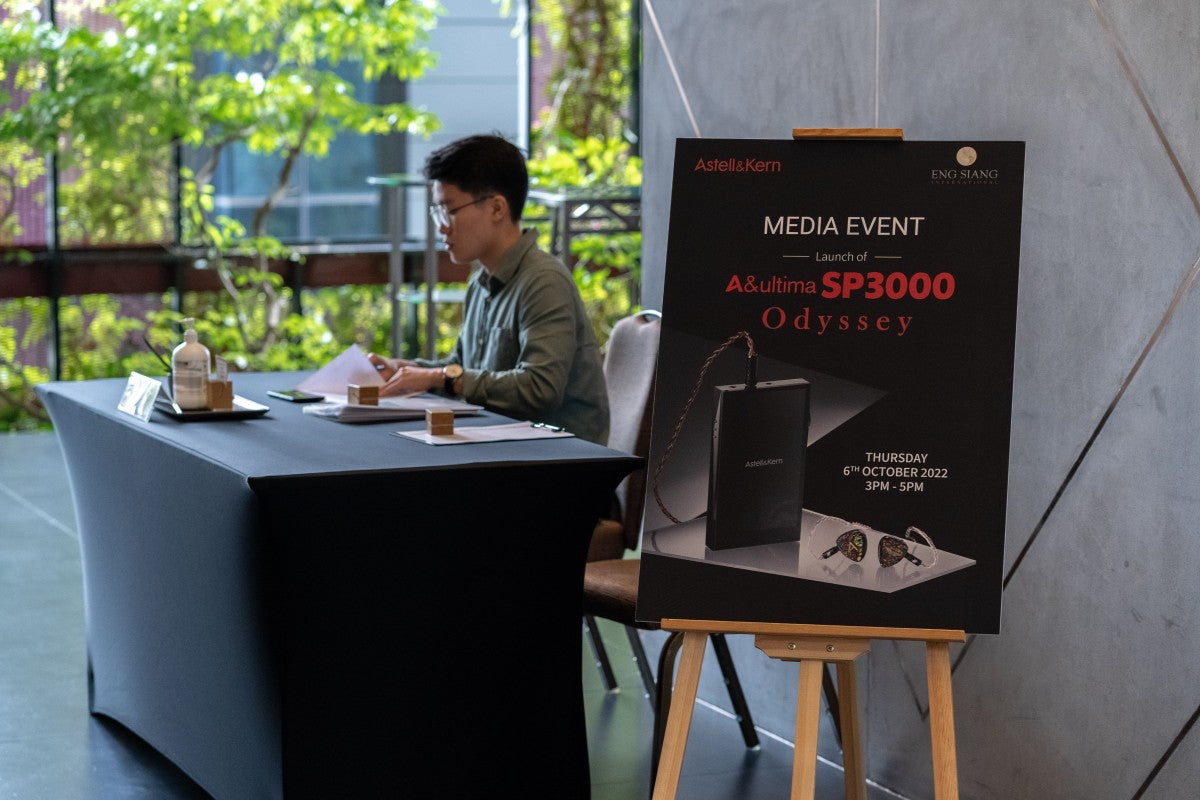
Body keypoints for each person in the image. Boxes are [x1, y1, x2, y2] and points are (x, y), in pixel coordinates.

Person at [368, 134, 610, 444]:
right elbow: (460, 369)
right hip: (502, 450)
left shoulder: (544, 281)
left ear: (496, 208)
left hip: (557, 465)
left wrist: (440, 377)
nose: (442, 227)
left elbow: (540, 389)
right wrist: (409, 370)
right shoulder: (480, 282)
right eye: (438, 213)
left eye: (450, 210)